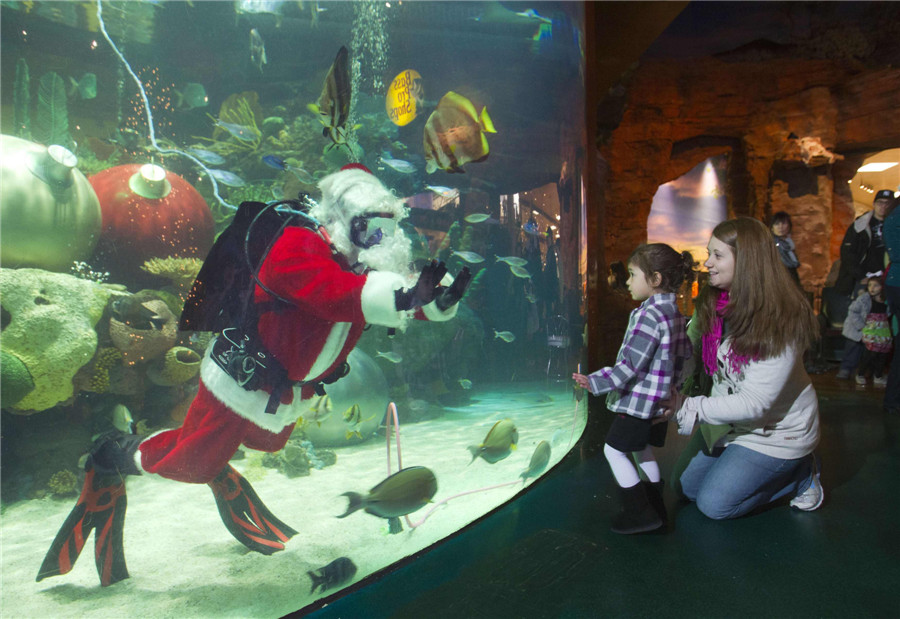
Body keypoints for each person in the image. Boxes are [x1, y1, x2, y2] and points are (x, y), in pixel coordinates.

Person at [38, 165, 472, 586]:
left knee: (267, 441)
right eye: (372, 230)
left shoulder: (359, 261)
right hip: (237, 380)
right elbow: (330, 293)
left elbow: (387, 297)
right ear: (344, 221)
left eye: (388, 230)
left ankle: (214, 455)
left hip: (280, 392)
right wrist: (401, 296)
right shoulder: (297, 246)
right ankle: (113, 452)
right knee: (190, 463)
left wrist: (434, 301)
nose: (381, 242)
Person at [669, 217, 822, 520]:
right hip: (730, 424)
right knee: (684, 488)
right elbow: (686, 353)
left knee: (714, 506)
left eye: (718, 255)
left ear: (747, 261)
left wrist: (689, 406)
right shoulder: (713, 303)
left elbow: (755, 403)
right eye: (708, 253)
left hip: (775, 431)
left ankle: (801, 476)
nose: (708, 263)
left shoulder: (780, 321)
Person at [573, 243, 693, 534]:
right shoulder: (677, 316)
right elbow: (685, 358)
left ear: (654, 280)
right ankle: (657, 509)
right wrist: (672, 391)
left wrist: (596, 381)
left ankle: (640, 513)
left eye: (632, 274)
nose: (627, 281)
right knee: (643, 450)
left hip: (639, 403)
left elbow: (630, 366)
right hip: (658, 402)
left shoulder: (648, 316)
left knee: (613, 450)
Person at [835, 189, 893, 296]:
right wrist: (860, 275)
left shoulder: (895, 225)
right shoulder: (860, 225)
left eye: (887, 203)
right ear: (874, 204)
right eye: (880, 202)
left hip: (889, 278)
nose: (883, 206)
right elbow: (847, 252)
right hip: (864, 278)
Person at [851, 276, 892, 386]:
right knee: (870, 353)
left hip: (883, 329)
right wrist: (861, 326)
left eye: (875, 285)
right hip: (870, 329)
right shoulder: (864, 298)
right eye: (870, 285)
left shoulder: (886, 299)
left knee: (882, 353)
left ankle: (878, 376)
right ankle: (860, 374)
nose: (872, 288)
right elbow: (853, 311)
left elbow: (889, 311)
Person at [770, 211, 801, 285]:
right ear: (772, 227)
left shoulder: (789, 243)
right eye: (777, 224)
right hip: (778, 280)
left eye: (783, 223)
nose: (780, 227)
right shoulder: (772, 243)